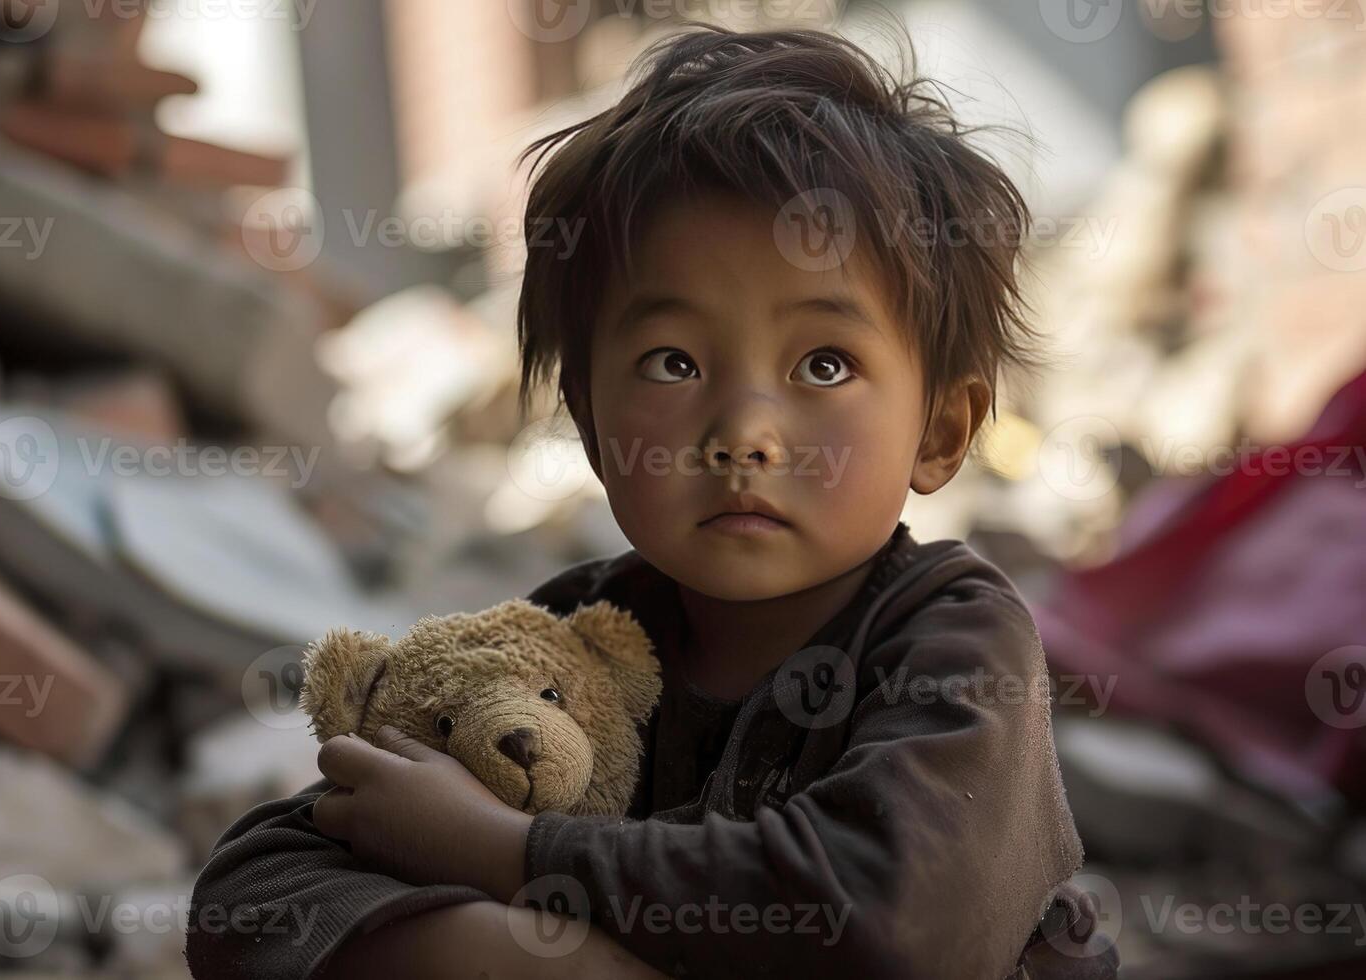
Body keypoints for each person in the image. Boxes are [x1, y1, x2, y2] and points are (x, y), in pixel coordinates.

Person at [187, 24, 1118, 980]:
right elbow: (252, 895)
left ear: (941, 433)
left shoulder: (955, 642)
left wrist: (507, 857)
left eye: (823, 364)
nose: (743, 431)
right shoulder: (573, 644)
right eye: (673, 362)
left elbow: (893, 920)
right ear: (588, 421)